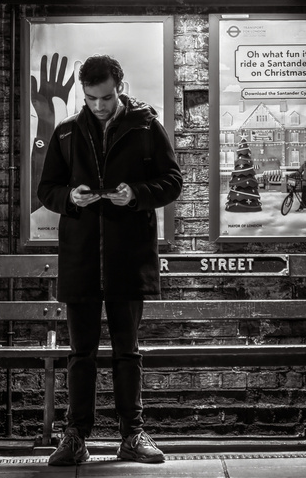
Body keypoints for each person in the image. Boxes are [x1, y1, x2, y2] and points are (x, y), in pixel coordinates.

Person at [37, 54, 183, 466]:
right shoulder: (67, 132)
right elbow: (46, 188)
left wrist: (136, 193)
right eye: (91, 99)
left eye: (106, 98)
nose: (99, 106)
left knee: (127, 351)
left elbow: (173, 181)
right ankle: (75, 436)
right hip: (81, 257)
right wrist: (70, 198)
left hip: (128, 255)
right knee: (80, 353)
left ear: (121, 87)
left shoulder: (146, 127)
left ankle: (132, 435)